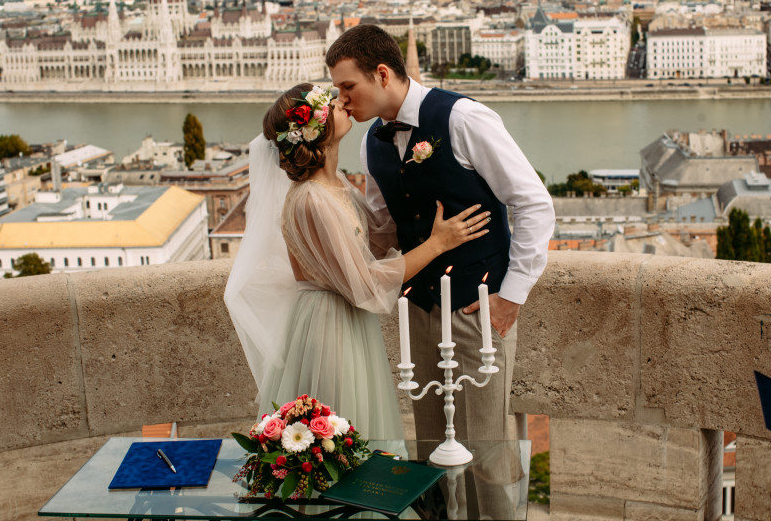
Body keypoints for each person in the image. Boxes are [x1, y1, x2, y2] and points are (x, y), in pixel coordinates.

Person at [326, 24, 556, 442]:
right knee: (430, 444)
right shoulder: (371, 143)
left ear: (382, 74)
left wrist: (511, 296)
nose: (341, 99)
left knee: (484, 447)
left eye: (347, 86)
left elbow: (533, 203)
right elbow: (384, 227)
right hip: (417, 310)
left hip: (477, 307)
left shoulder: (465, 118)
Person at [224, 83, 491, 440]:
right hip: (329, 326)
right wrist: (438, 243)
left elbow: (376, 239)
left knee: (354, 428)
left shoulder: (335, 184)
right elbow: (365, 282)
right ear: (315, 131)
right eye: (331, 103)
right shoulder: (311, 198)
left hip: (348, 320)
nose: (342, 102)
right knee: (338, 429)